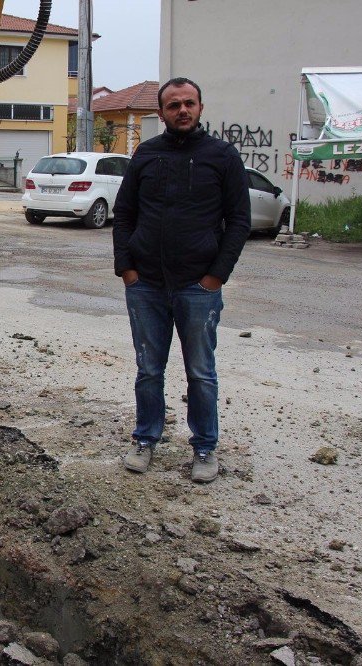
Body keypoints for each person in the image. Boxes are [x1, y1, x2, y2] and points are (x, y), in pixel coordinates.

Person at [112, 77, 251, 483]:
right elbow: (125, 214)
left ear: (201, 108)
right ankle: (145, 439)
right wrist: (127, 270)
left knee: (201, 373)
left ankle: (205, 447)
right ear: (161, 114)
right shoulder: (146, 154)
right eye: (174, 105)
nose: (182, 110)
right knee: (149, 370)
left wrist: (215, 276)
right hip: (147, 286)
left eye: (189, 103)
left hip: (197, 286)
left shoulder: (222, 156)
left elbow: (238, 221)